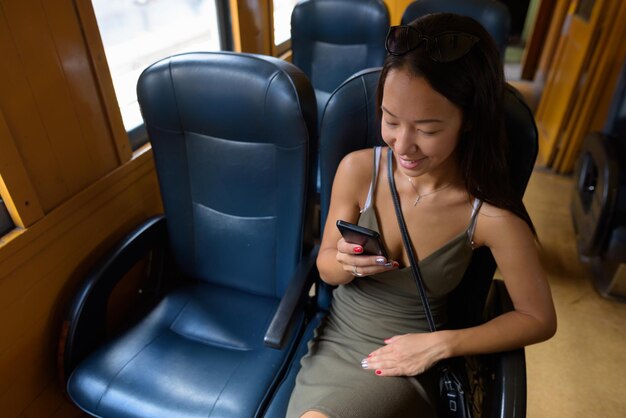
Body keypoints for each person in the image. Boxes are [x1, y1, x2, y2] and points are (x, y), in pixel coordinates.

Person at [286, 12, 557, 418]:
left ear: (469, 121)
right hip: (336, 342)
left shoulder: (489, 216)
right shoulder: (358, 170)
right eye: (390, 121)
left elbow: (539, 319)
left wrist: (442, 344)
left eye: (427, 130)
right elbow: (326, 268)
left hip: (413, 360)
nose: (403, 145)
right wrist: (347, 264)